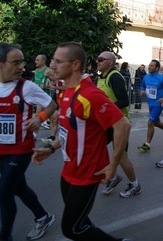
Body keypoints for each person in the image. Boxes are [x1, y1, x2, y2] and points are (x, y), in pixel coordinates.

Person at [31, 42, 131, 241]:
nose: (53, 66)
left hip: (87, 172)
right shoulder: (65, 92)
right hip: (68, 170)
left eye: (58, 62)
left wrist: (112, 164)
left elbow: (123, 125)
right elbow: (69, 132)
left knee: (71, 229)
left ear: (75, 64)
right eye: (53, 61)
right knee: (80, 221)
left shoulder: (89, 94)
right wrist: (51, 148)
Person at [0, 43, 57, 241]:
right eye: (15, 63)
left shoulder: (27, 87)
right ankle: (43, 217)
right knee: (19, 188)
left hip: (20, 149)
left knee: (4, 193)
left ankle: (4, 236)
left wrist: (39, 117)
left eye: (21, 62)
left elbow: (52, 104)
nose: (21, 67)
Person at [96, 51, 141, 198]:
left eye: (101, 59)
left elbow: (124, 100)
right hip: (106, 123)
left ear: (110, 62)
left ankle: (135, 185)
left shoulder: (115, 77)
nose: (98, 61)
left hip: (119, 124)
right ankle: (114, 178)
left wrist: (104, 109)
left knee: (121, 156)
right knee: (95, 148)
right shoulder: (101, 77)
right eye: (98, 59)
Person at [138, 59, 163, 152]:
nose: (149, 67)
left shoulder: (162, 79)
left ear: (157, 68)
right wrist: (142, 91)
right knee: (156, 123)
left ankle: (147, 145)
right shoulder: (146, 77)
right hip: (150, 103)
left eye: (152, 66)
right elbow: (142, 86)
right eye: (149, 65)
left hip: (158, 104)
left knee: (150, 123)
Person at [40, 59, 65, 144]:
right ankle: (52, 137)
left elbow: (67, 87)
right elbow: (55, 84)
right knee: (54, 118)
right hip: (58, 98)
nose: (50, 64)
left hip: (64, 99)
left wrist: (55, 88)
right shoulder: (56, 73)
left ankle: (62, 138)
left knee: (61, 120)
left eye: (52, 62)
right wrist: (48, 86)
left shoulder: (63, 73)